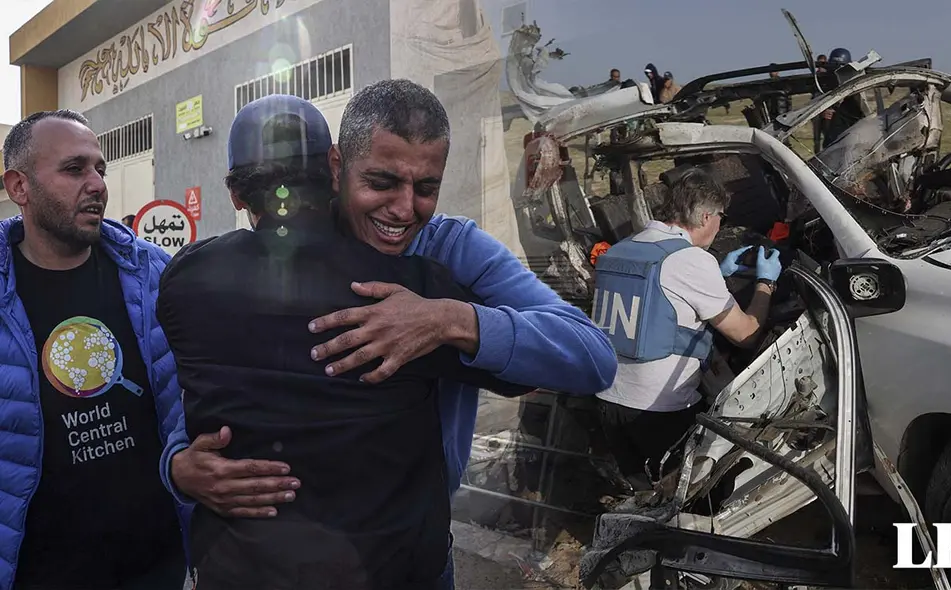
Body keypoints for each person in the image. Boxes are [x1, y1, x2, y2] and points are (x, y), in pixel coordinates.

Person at [162, 79, 618, 588]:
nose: (404, 209)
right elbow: (201, 387)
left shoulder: (449, 252)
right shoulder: (253, 267)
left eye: (426, 187)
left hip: (405, 552)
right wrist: (179, 464)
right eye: (381, 182)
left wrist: (449, 319)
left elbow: (592, 355)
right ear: (336, 168)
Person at [0, 110, 187, 590]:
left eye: (100, 169)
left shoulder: (154, 275)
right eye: (74, 169)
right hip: (38, 571)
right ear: (19, 187)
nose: (98, 184)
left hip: (157, 565)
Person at [592, 168, 782, 492]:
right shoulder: (689, 260)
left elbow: (656, 299)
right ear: (707, 216)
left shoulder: (620, 250)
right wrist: (767, 282)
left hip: (607, 400)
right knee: (698, 497)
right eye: (721, 216)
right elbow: (747, 334)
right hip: (657, 411)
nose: (721, 223)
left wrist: (717, 274)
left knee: (646, 496)